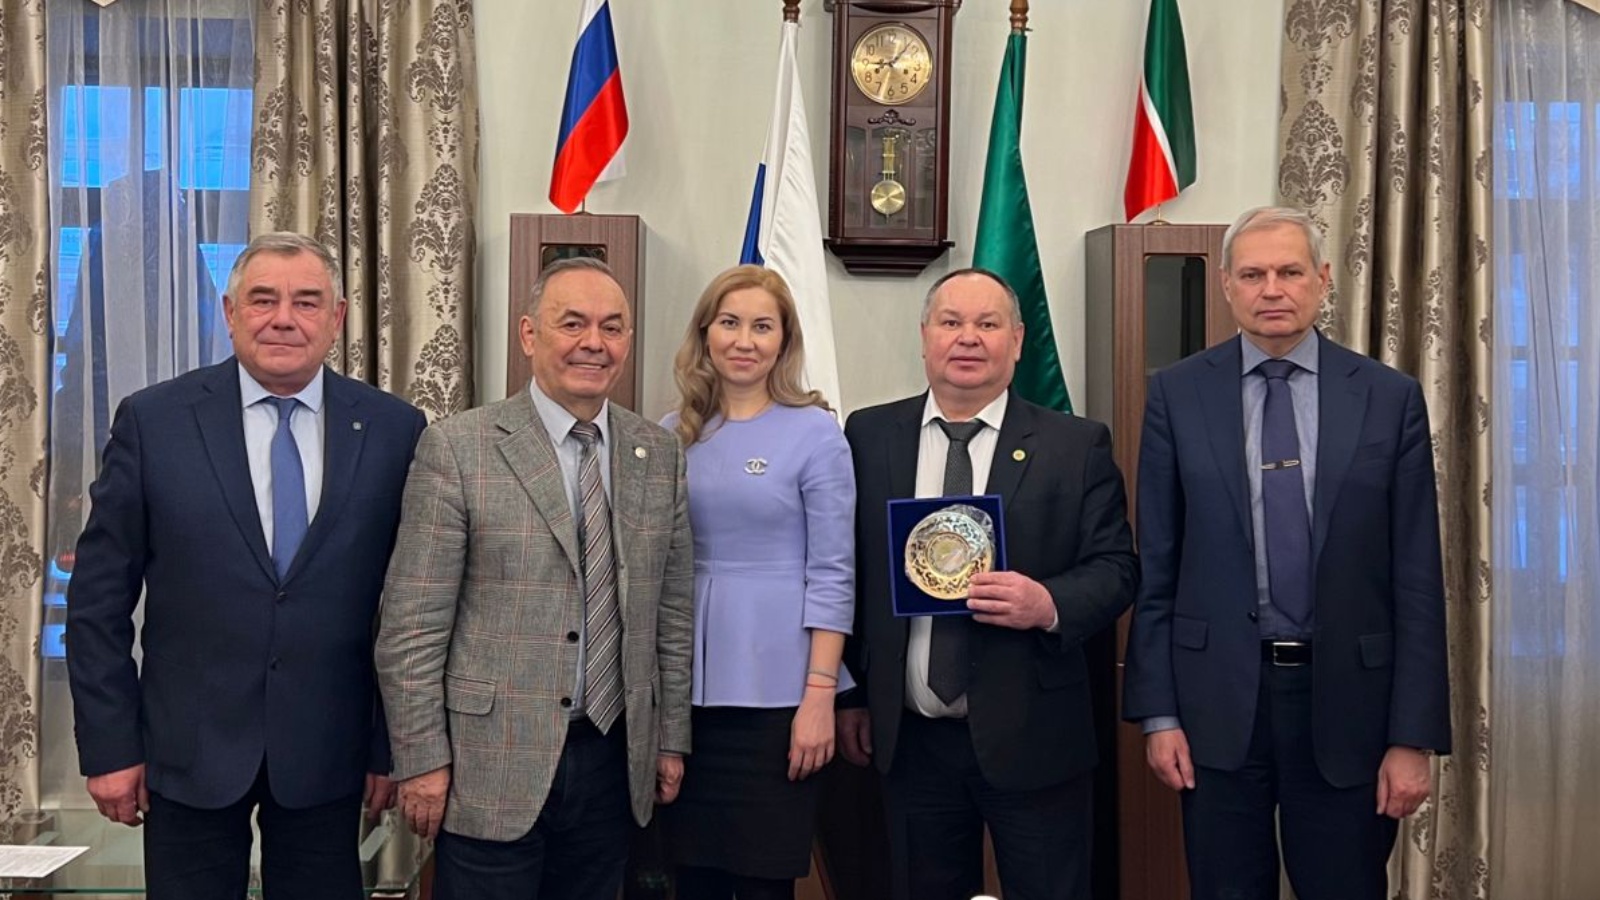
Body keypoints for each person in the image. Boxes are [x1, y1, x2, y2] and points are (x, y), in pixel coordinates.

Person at [66, 232, 427, 900]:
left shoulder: (393, 430)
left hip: (330, 757)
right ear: (231, 314)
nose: (283, 318)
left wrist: (390, 746)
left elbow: (409, 611)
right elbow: (96, 603)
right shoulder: (155, 422)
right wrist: (111, 747)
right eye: (263, 300)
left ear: (337, 318)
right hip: (187, 754)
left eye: (306, 302)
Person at [1122, 206, 1452, 900]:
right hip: (1216, 706)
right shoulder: (1177, 395)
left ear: (1323, 280)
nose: (1272, 289)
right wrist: (1159, 714)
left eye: (1290, 272)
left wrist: (1412, 737)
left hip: (1350, 707)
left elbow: (1418, 578)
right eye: (1252, 275)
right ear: (1226, 285)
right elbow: (1159, 567)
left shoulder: (1388, 399)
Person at [375, 256, 694, 900]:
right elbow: (412, 625)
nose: (593, 343)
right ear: (529, 334)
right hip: (488, 763)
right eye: (572, 323)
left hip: (612, 759)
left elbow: (672, 613)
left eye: (611, 327)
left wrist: (670, 739)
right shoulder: (459, 448)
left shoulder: (657, 454)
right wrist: (421, 758)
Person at [836, 268, 1138, 900]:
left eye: (988, 323)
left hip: (1035, 737)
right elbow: (852, 574)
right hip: (910, 739)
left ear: (1018, 340)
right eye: (951, 322)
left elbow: (1117, 568)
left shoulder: (1075, 445)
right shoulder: (868, 435)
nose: (967, 338)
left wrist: (1048, 603)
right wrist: (851, 696)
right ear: (925, 335)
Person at [660, 265, 855, 900]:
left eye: (762, 326)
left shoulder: (817, 433)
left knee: (763, 881)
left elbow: (833, 572)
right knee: (688, 879)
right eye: (730, 323)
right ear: (705, 334)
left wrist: (820, 697)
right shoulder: (669, 434)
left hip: (782, 699)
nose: (744, 340)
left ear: (784, 341)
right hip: (685, 700)